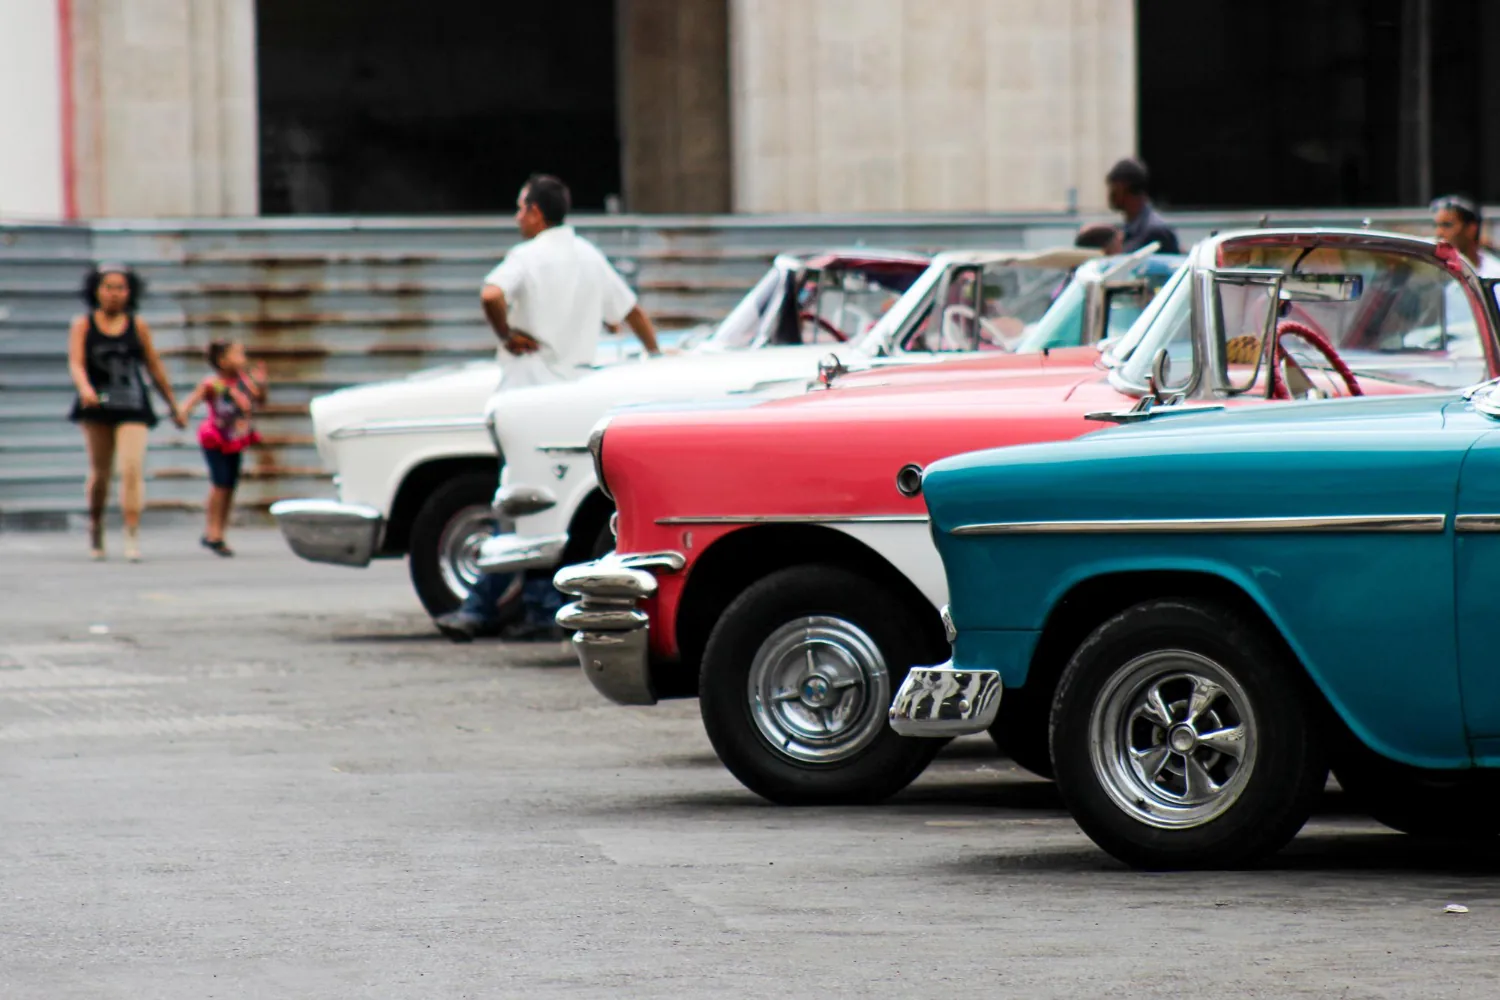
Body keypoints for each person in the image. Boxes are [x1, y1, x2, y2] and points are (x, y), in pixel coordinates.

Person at [435, 173, 661, 642]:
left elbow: (491, 293)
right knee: (552, 506)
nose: (518, 217)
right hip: (573, 399)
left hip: (525, 398)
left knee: (516, 502)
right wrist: (655, 357)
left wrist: (506, 335)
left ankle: (483, 608)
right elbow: (632, 311)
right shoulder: (588, 256)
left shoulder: (527, 257)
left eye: (521, 208)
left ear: (536, 212)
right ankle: (539, 609)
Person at [67, 264, 184, 562]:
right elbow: (77, 363)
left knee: (131, 468)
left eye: (120, 288)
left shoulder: (137, 326)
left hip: (132, 403)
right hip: (97, 405)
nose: (114, 294)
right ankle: (96, 524)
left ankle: (131, 532)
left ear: (129, 292)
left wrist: (173, 407)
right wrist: (84, 389)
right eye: (108, 287)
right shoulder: (83, 325)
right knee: (101, 474)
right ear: (96, 290)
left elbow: (154, 368)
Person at [176, 340, 268, 556]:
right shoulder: (213, 384)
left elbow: (259, 401)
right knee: (220, 483)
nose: (242, 359)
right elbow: (192, 401)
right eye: (237, 355)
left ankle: (219, 532)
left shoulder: (244, 382)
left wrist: (261, 385)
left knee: (230, 484)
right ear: (222, 360)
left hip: (236, 437)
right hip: (215, 437)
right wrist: (183, 413)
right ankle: (213, 532)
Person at [1105, 158, 1180, 255]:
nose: (1111, 193)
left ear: (1124, 186)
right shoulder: (1129, 230)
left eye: (1114, 187)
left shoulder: (1155, 231)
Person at [1431, 195, 1500, 276]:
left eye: (1447, 225)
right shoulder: (1431, 274)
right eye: (1436, 225)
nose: (1439, 233)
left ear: (1471, 229)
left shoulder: (1495, 274)